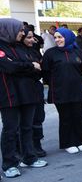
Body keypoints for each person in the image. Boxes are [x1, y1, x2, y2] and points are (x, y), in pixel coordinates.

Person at [0, 19, 48, 179]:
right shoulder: (1, 48)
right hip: (9, 96)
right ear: (9, 30)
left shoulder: (21, 48)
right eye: (20, 30)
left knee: (27, 127)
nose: (22, 33)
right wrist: (28, 66)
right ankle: (9, 164)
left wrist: (25, 66)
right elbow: (9, 67)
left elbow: (37, 68)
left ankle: (29, 157)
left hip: (28, 94)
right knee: (10, 130)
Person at [42, 28, 82, 154]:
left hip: (78, 90)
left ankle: (80, 141)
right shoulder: (50, 53)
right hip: (60, 91)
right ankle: (68, 142)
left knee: (78, 116)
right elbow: (46, 73)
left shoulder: (79, 52)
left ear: (68, 37)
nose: (57, 40)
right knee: (65, 117)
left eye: (60, 37)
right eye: (56, 37)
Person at [20, 28, 47, 158]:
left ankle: (37, 144)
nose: (32, 40)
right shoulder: (17, 52)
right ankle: (25, 148)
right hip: (24, 90)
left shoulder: (34, 52)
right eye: (29, 37)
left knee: (38, 118)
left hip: (36, 88)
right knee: (26, 121)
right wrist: (32, 67)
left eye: (33, 37)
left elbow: (41, 69)